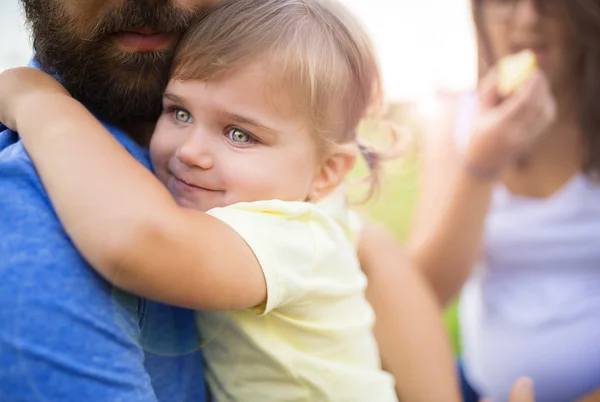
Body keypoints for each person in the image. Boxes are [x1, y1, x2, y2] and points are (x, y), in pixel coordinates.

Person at [0, 0, 461, 400]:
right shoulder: (276, 178)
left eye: (239, 134)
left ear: (324, 174)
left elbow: (143, 243)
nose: (191, 152)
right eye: (178, 112)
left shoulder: (289, 228)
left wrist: (37, 101)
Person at [409, 0, 600, 401]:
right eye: (505, 1)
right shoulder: (456, 118)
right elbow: (422, 294)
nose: (528, 18)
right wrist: (482, 163)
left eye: (550, 2)